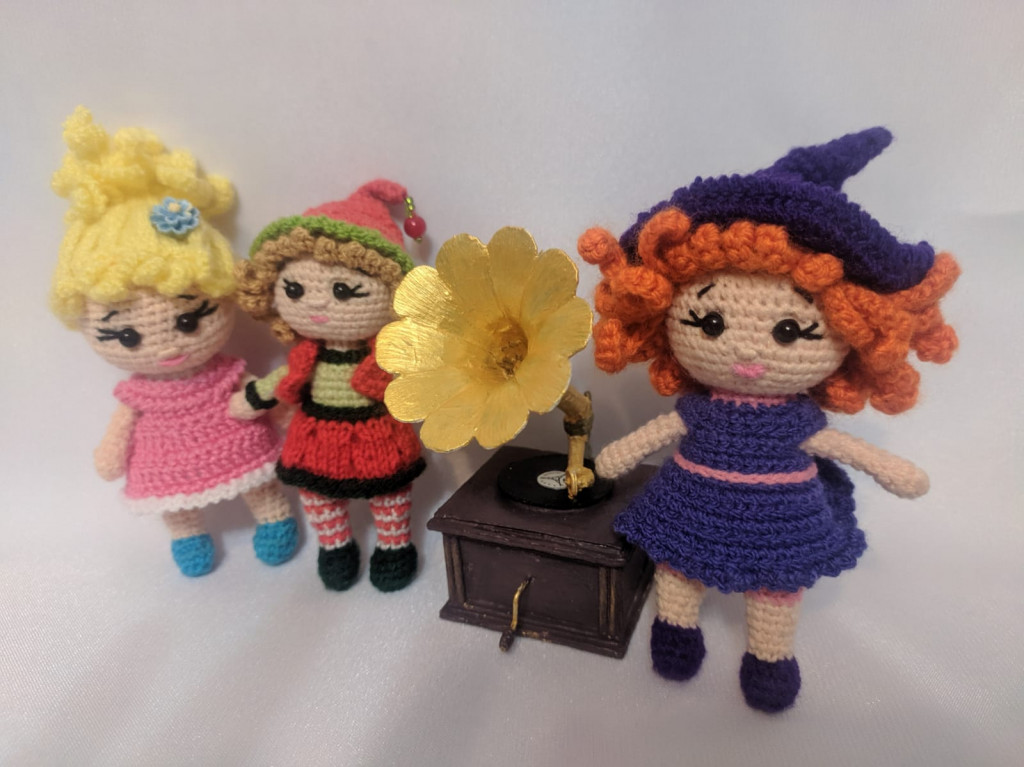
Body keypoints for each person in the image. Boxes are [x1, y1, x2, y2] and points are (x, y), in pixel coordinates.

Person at [582, 128, 959, 711]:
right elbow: (663, 432)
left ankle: (769, 657)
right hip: (692, 506)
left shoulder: (795, 420)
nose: (747, 353)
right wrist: (618, 455)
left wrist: (888, 468)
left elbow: (835, 444)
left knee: (775, 585)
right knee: (677, 568)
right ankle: (675, 630)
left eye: (790, 330)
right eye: (710, 323)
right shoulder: (700, 410)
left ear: (853, 333)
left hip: (780, 519)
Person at [50, 107, 298, 577]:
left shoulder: (227, 372)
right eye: (127, 334)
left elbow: (261, 395)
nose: (167, 347)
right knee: (176, 506)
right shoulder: (140, 394)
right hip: (165, 464)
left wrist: (287, 416)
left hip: (239, 445)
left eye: (188, 320)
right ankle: (189, 538)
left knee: (262, 485)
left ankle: (274, 522)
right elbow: (118, 436)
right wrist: (110, 455)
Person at [232, 181, 426, 593]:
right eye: (296, 290)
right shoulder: (305, 355)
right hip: (316, 437)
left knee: (390, 494)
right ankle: (335, 547)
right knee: (319, 496)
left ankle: (394, 546)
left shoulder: (390, 354)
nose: (317, 304)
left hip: (379, 432)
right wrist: (255, 396)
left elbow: (415, 383)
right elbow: (284, 379)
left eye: (342, 290)